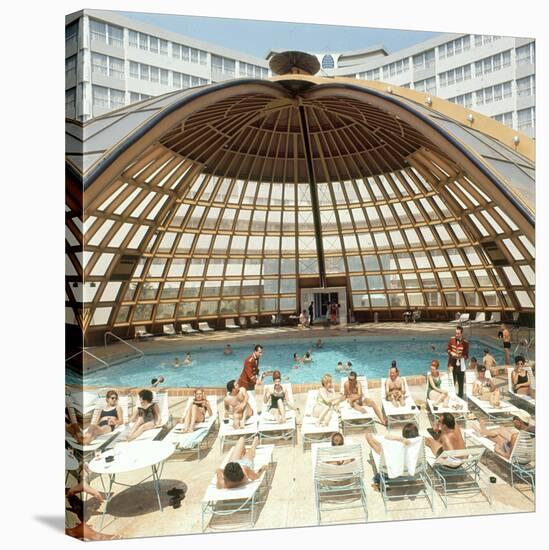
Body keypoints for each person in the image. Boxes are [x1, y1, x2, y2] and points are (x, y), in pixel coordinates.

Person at [447, 325, 469, 398]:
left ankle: (460, 396)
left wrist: (461, 357)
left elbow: (466, 355)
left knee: (460, 381)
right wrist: (451, 353)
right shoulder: (451, 339)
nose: (456, 335)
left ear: (461, 333)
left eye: (458, 333)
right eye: (456, 333)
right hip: (452, 363)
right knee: (451, 380)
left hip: (460, 364)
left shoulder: (465, 342)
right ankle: (451, 396)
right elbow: (448, 349)